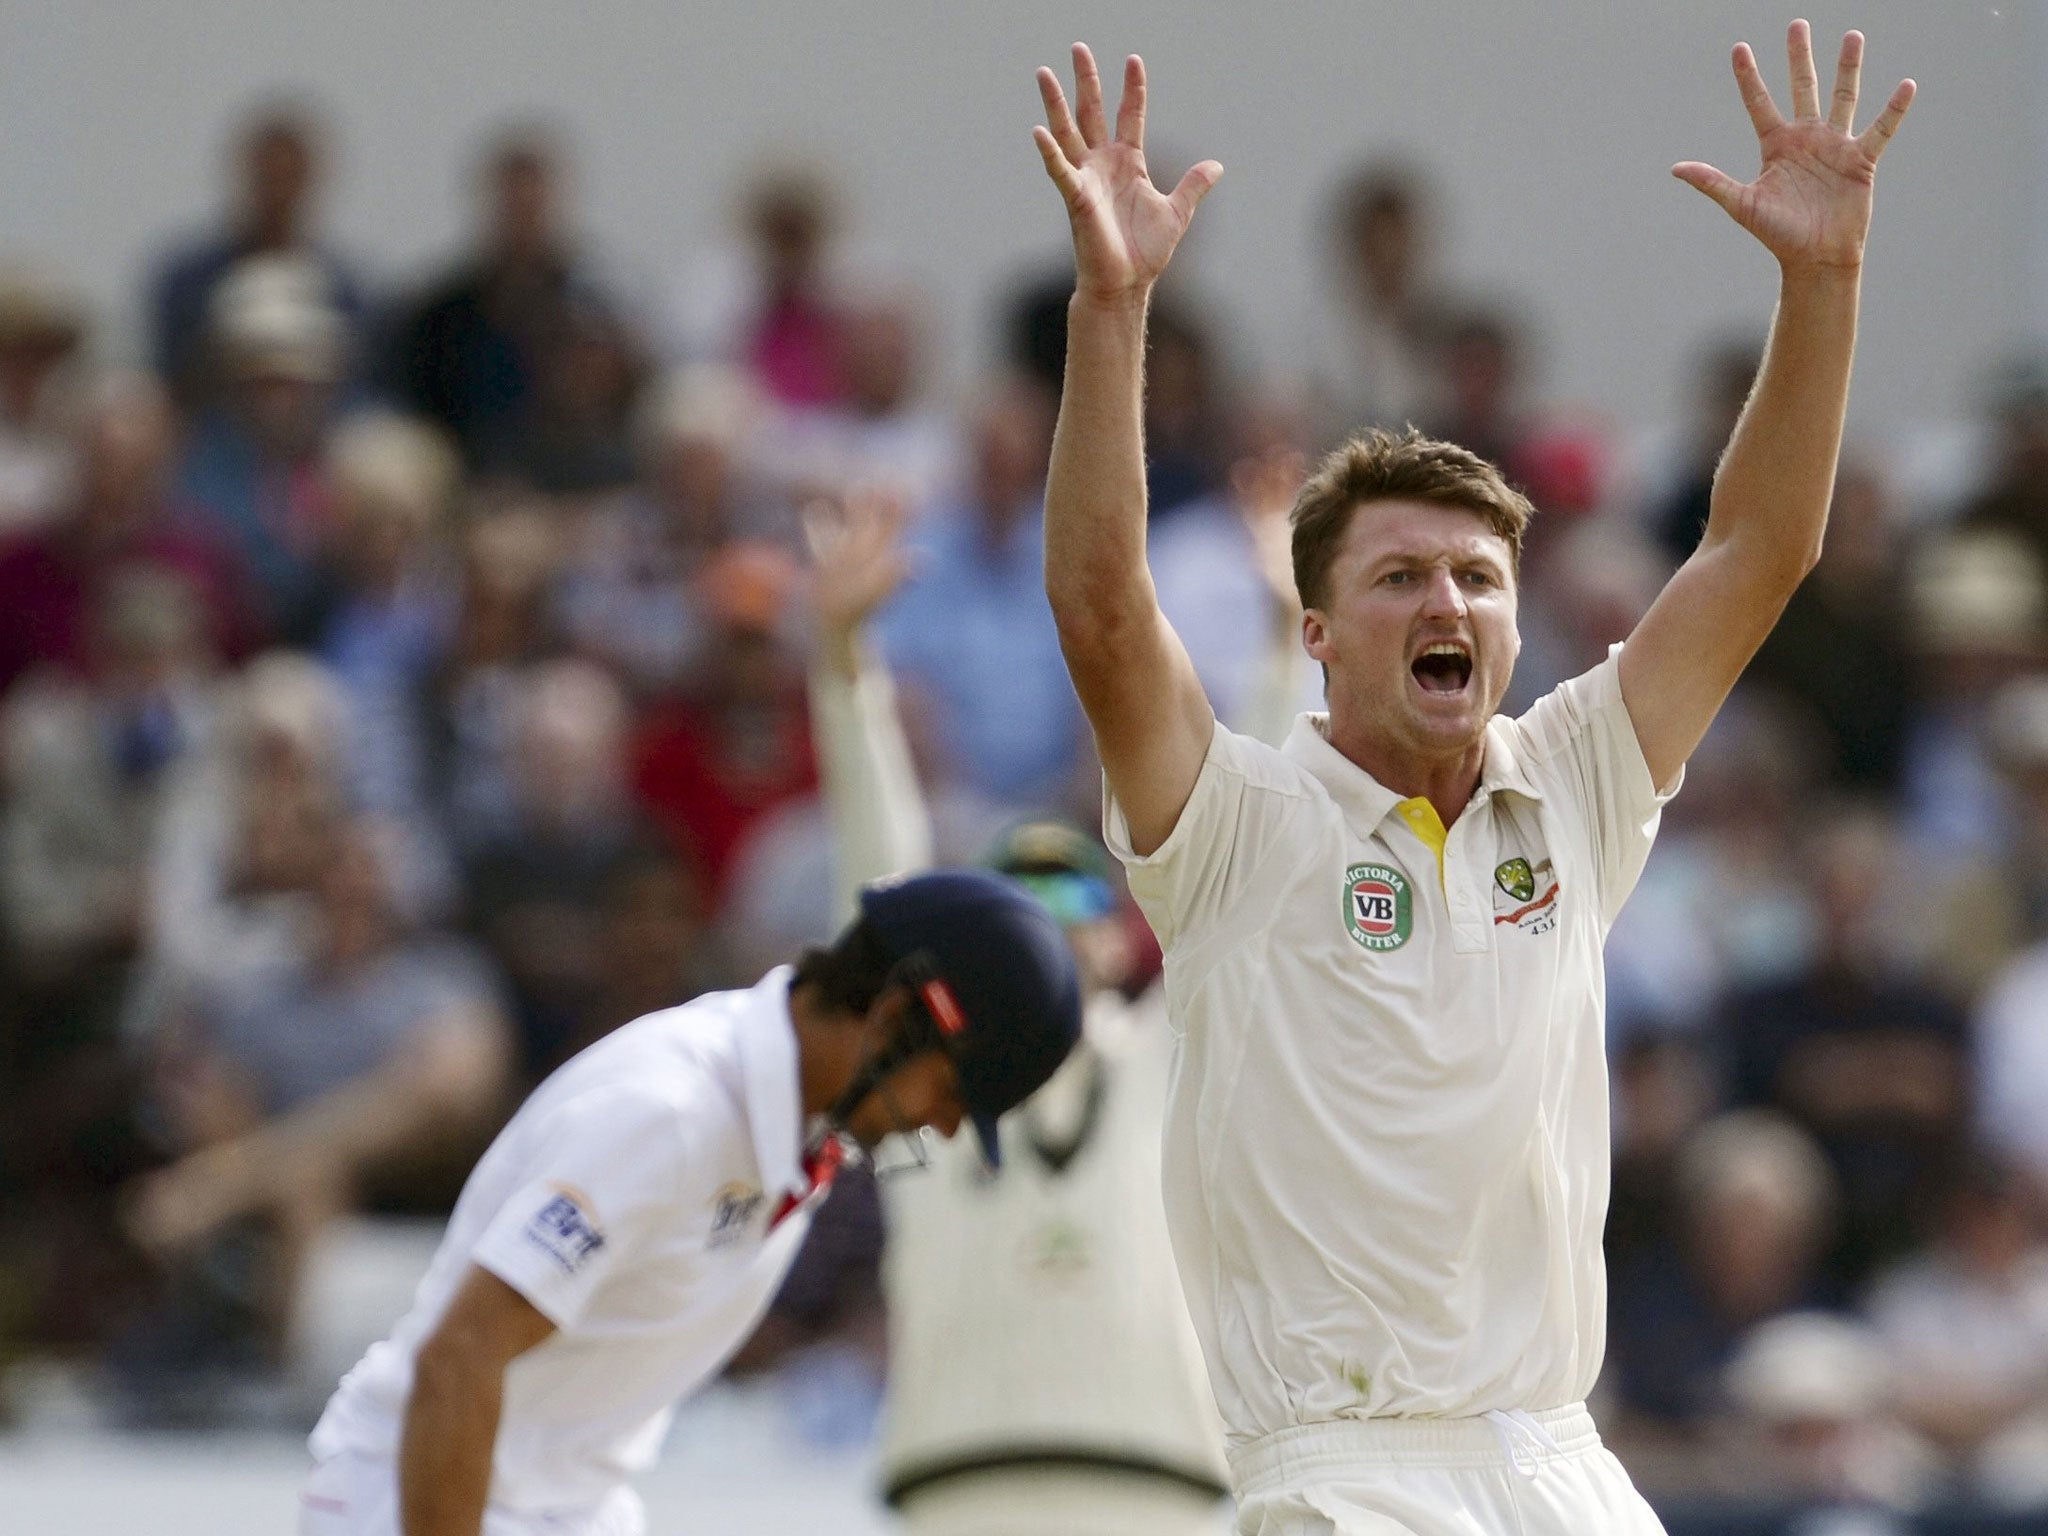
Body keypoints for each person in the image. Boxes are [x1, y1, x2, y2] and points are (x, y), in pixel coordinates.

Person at [1031, 27, 1913, 1536]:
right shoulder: (1235, 822)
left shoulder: (1574, 777)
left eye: (1479, 577)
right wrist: (1116, 309)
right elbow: (1107, 611)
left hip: (1563, 1462)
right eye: (1399, 579)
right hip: (1341, 1469)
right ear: (1313, 631)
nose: (1449, 605)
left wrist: (1820, 288)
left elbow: (1758, 553)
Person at [299, 866, 1082, 1536]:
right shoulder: (667, 1114)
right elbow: (459, 1357)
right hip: (422, 1499)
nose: (943, 1129)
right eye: (950, 1092)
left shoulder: (798, 1126)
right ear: (895, 1017)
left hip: (560, 1506)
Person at [803, 489, 1237, 1535]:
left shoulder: (1168, 1062)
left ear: (1114, 936)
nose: (1047, 925)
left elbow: (1244, 890)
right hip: (959, 1485)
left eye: (1074, 899)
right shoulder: (931, 1077)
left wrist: (1278, 644)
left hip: (1161, 1489)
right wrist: (843, 669)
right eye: (1017, 903)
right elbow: (879, 894)